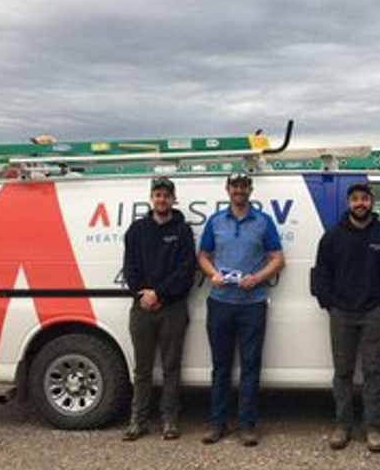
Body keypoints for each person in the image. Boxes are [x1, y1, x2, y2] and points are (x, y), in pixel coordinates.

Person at [314, 181, 380, 453]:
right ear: (348, 203)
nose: (360, 203)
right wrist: (329, 303)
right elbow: (322, 275)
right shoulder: (332, 237)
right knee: (342, 372)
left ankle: (373, 428)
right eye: (355, 199)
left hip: (373, 315)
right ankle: (342, 426)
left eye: (364, 198)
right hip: (341, 314)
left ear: (372, 202)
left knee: (374, 372)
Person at [198, 172, 285, 447]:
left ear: (250, 189)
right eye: (234, 186)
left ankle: (247, 424)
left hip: (253, 304)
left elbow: (278, 258)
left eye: (243, 186)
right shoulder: (215, 221)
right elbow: (203, 256)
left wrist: (257, 278)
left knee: (250, 366)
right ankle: (217, 423)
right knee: (220, 366)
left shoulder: (263, 221)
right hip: (220, 301)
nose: (238, 190)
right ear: (227, 189)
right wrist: (212, 274)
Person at [122, 176, 197, 441]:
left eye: (166, 195)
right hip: (142, 308)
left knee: (171, 368)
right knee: (141, 370)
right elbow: (129, 268)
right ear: (151, 198)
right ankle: (138, 421)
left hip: (172, 308)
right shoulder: (136, 230)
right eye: (157, 195)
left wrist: (160, 294)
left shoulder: (182, 231)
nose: (161, 199)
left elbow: (186, 271)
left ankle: (169, 421)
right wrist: (143, 294)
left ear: (173, 199)